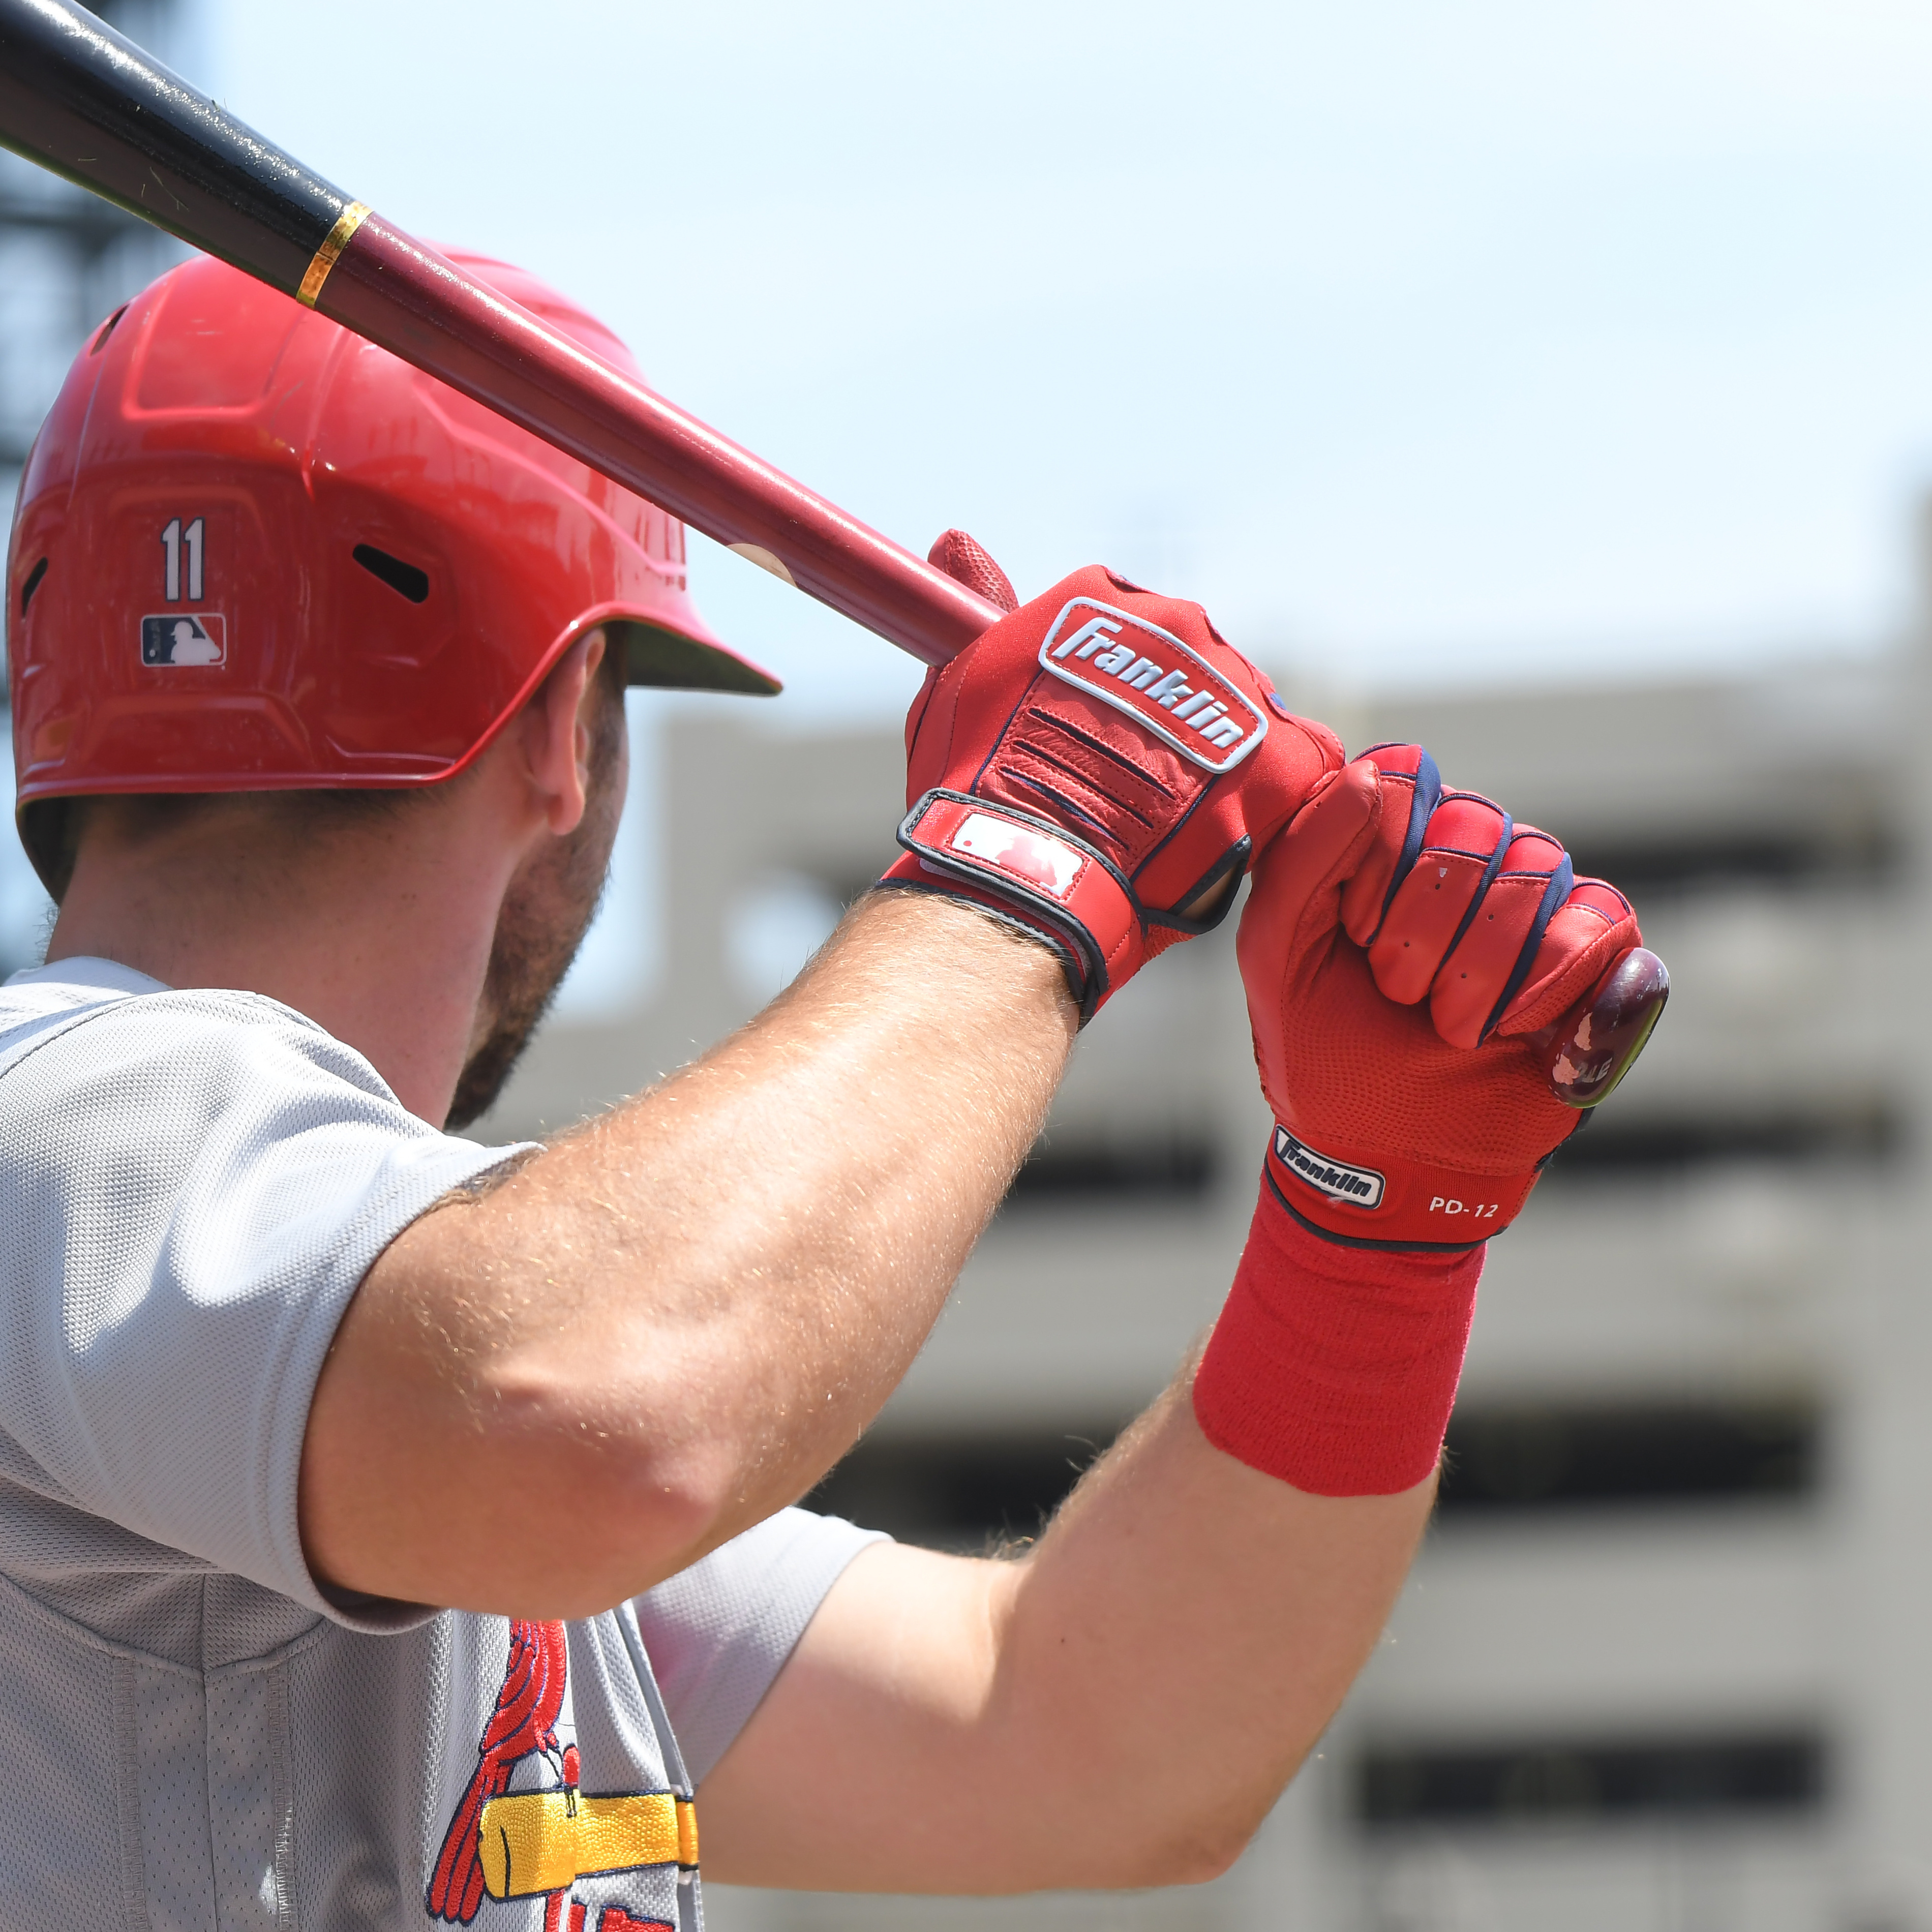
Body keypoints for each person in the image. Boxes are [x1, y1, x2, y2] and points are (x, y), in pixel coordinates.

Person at [0, 250, 1641, 1928]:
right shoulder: (73, 1127)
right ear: (567, 722)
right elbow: (594, 1420)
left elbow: (1089, 1742)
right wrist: (1033, 846)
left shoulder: (374, 1368)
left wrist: (1376, 1222)